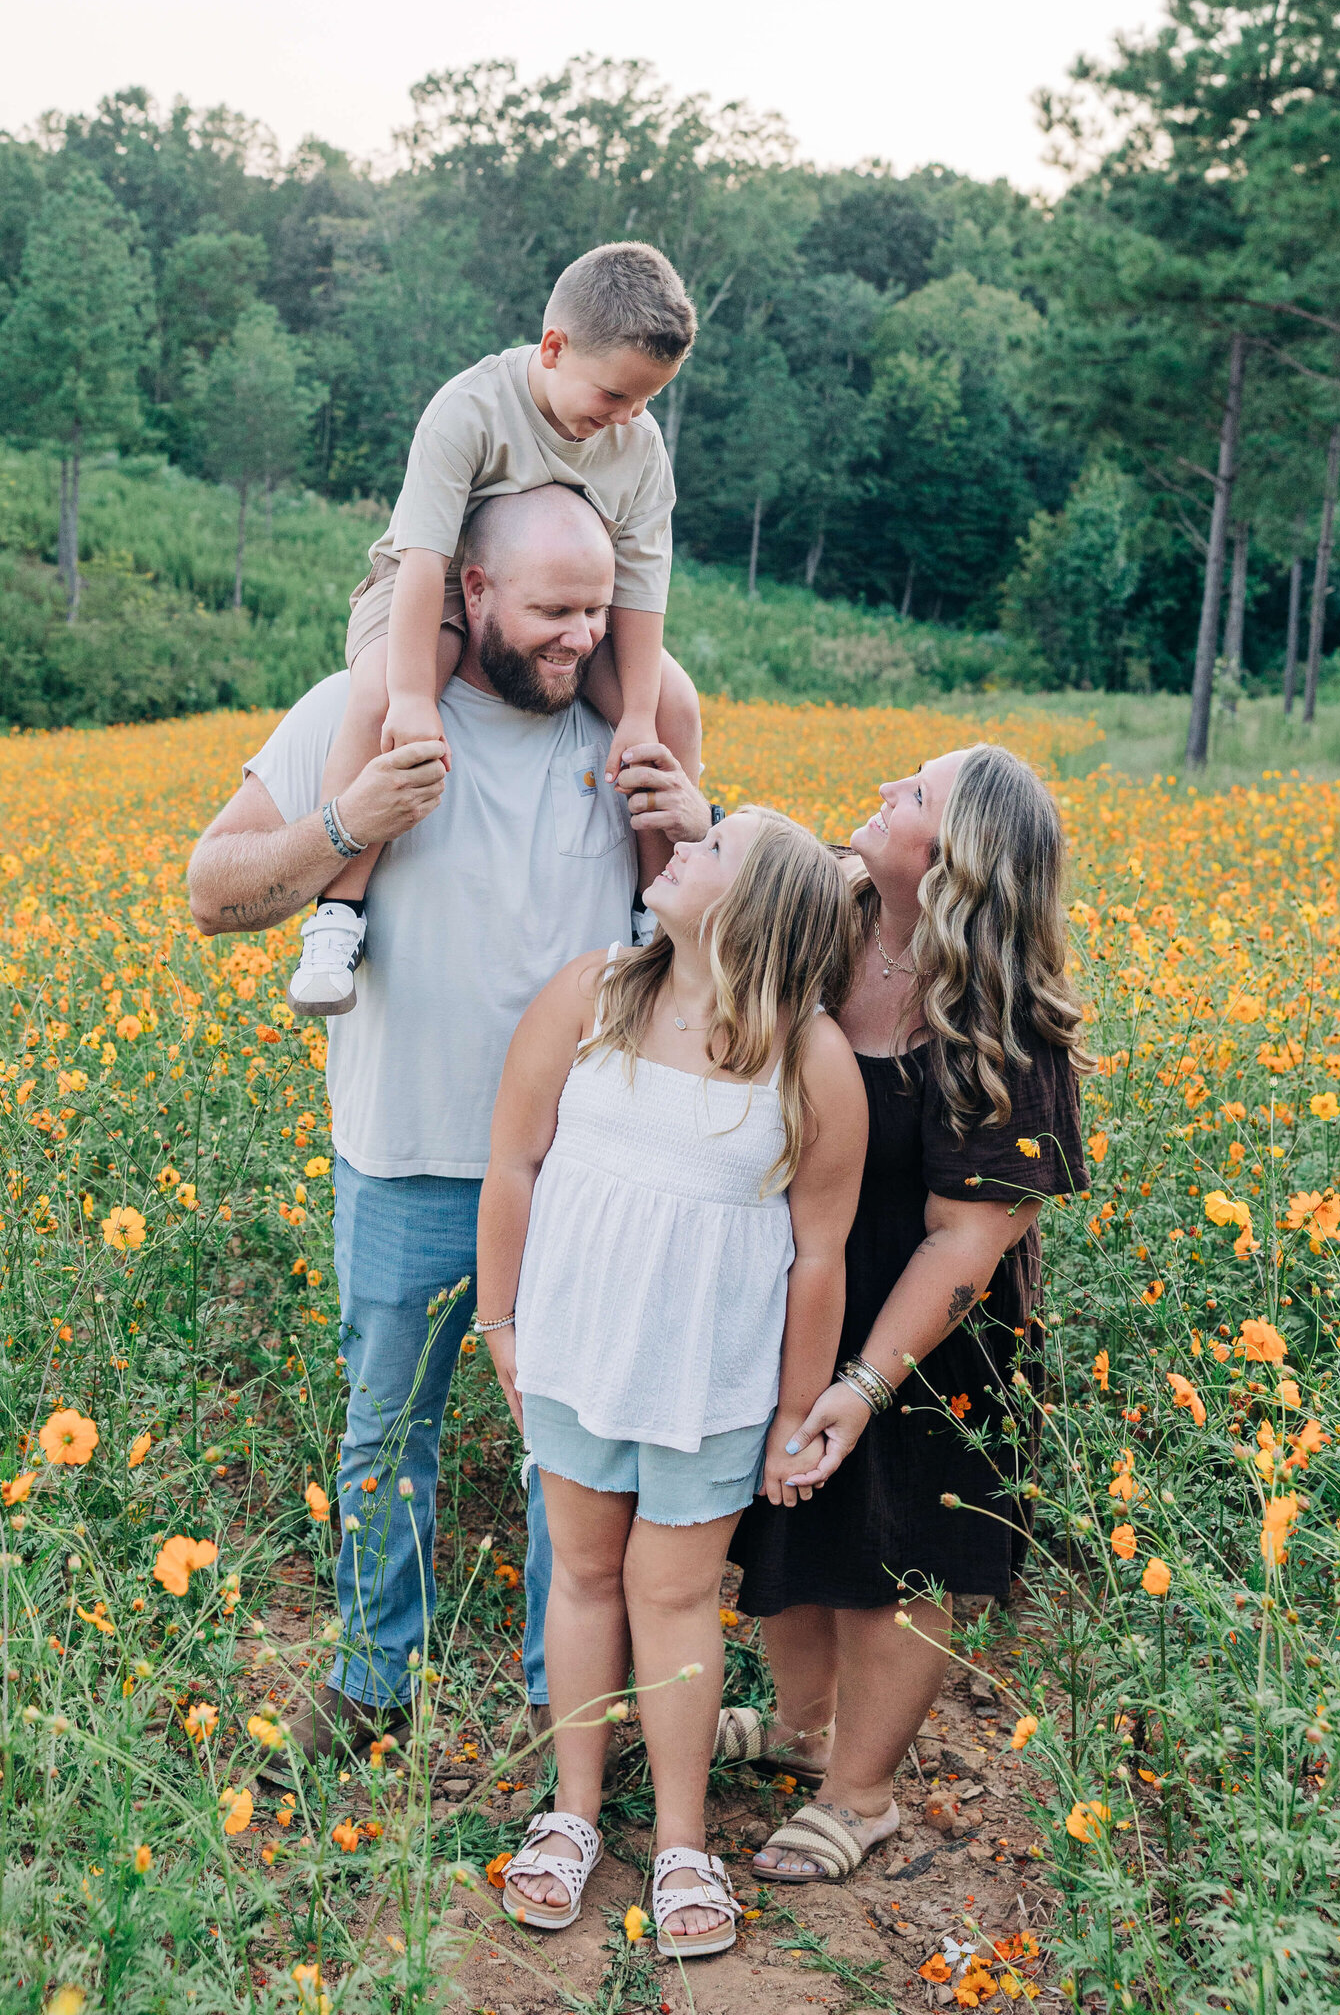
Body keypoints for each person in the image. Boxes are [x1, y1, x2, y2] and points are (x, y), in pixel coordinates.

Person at [186, 486, 719, 1769]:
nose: (581, 637)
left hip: (583, 1171)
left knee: (576, 1451)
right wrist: (345, 824)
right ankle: (375, 1680)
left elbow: (708, 919)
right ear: (470, 593)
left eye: (599, 610)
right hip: (404, 1158)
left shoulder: (628, 721)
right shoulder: (358, 708)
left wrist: (695, 822)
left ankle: (567, 1708)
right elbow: (212, 891)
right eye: (551, 610)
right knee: (386, 1436)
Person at [476, 811, 867, 1956]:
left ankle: (685, 1840)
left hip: (709, 1381)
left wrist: (795, 1410)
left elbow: (819, 1257)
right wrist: (501, 1321)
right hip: (572, 1354)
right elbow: (514, 1162)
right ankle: (574, 1814)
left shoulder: (811, 1056)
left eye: (710, 848)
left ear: (756, 912)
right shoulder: (592, 995)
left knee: (675, 1596)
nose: (680, 847)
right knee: (586, 1578)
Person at [722, 743, 1089, 1885]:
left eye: (915, 794)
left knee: (896, 1550)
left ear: (960, 858)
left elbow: (967, 1238)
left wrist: (864, 1382)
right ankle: (797, 1731)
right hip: (805, 1281)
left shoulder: (1007, 1022)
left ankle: (861, 1792)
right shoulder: (830, 920)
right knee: (785, 1516)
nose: (883, 790)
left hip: (937, 1330)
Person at [285, 240, 703, 1021]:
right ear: (553, 348)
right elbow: (423, 559)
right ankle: (337, 917)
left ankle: (655, 917)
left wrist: (638, 715)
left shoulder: (639, 448)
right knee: (378, 696)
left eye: (646, 401)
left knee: (671, 712)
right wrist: (413, 696)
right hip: (436, 578)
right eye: (615, 395)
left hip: (572, 599)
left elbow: (642, 595)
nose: (629, 417)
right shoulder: (469, 410)